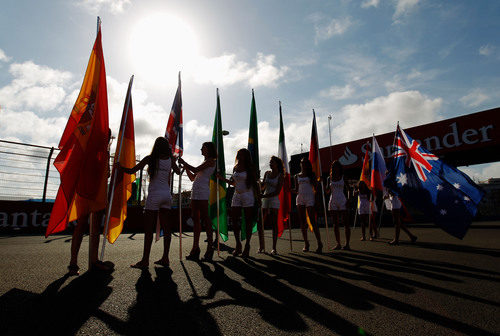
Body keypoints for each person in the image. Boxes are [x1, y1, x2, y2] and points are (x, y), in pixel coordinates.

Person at [118, 136, 180, 269]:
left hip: (154, 195)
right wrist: (176, 162)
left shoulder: (150, 158)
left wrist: (120, 167)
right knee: (167, 228)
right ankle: (165, 258)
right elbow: (179, 172)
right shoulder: (170, 160)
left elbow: (132, 171)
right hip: (166, 195)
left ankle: (145, 260)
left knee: (148, 230)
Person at [68, 129, 112, 276]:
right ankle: (75, 262)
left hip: (94, 192)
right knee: (84, 225)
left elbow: (107, 174)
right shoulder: (91, 149)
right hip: (87, 191)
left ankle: (85, 261)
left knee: (90, 227)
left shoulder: (103, 152)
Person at [178, 142, 217, 261]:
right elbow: (192, 178)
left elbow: (195, 169)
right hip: (195, 191)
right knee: (196, 219)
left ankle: (210, 247)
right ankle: (196, 248)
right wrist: (185, 168)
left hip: (202, 192)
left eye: (203, 147)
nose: (201, 149)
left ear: (208, 149)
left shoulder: (211, 161)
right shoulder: (205, 162)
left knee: (205, 217)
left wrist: (185, 163)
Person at [218, 148, 259, 258]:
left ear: (246, 156)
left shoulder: (250, 168)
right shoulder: (235, 167)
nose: (239, 156)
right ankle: (238, 244)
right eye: (238, 154)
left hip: (248, 194)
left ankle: (247, 246)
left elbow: (255, 183)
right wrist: (222, 178)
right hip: (237, 194)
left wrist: (258, 197)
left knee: (248, 221)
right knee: (234, 220)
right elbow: (233, 183)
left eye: (241, 154)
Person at [292, 158, 323, 253]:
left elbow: (316, 188)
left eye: (305, 163)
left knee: (312, 221)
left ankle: (319, 243)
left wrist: (317, 201)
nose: (303, 165)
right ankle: (306, 243)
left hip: (310, 197)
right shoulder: (296, 176)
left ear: (308, 165)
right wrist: (288, 190)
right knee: (302, 222)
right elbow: (296, 190)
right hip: (300, 198)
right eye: (302, 163)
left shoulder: (311, 175)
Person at [260, 156, 284, 255]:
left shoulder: (280, 175)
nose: (270, 164)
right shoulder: (267, 173)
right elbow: (262, 187)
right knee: (261, 222)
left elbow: (277, 191)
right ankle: (261, 246)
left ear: (277, 164)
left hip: (273, 200)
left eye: (272, 162)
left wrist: (264, 195)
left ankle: (274, 248)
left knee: (274, 224)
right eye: (270, 162)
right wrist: (259, 181)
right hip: (265, 200)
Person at [325, 160, 351, 251]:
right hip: (333, 200)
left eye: (336, 166)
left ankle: (347, 244)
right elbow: (327, 191)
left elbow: (349, 189)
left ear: (339, 167)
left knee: (346, 223)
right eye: (333, 166)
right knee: (335, 224)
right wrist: (325, 187)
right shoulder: (329, 178)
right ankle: (338, 244)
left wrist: (348, 199)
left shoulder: (343, 177)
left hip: (342, 200)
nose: (334, 168)